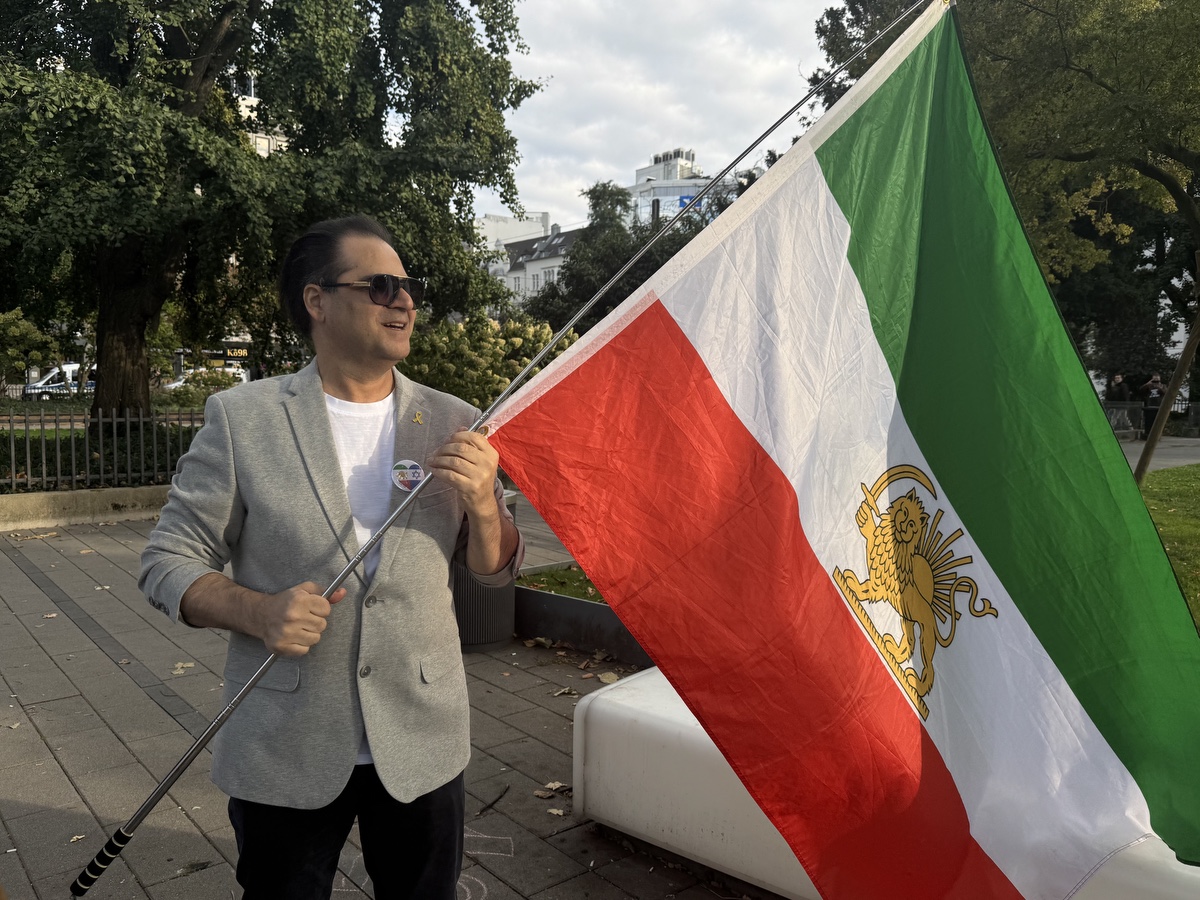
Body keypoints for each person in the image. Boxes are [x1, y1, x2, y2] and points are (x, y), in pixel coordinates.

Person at [140, 215, 523, 899]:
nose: (404, 301)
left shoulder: (455, 420)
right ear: (317, 301)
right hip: (286, 740)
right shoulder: (244, 418)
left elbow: (495, 570)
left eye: (408, 286)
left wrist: (487, 509)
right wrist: (257, 611)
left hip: (420, 735)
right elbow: (168, 558)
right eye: (380, 286)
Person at [1140, 373, 1166, 439]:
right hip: (1150, 405)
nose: (1156, 379)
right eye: (1155, 377)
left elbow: (1165, 392)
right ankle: (1148, 434)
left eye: (1157, 377)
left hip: (1159, 406)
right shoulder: (1149, 386)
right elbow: (1141, 390)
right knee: (1149, 421)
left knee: (1158, 421)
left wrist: (1159, 387)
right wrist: (1147, 384)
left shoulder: (1162, 385)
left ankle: (1158, 435)